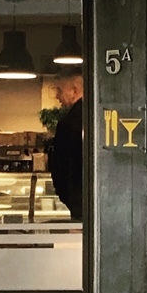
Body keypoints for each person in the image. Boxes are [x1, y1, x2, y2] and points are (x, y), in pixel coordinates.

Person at [49, 70, 85, 221]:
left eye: (59, 90)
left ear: (73, 91)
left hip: (77, 199)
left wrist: (67, 197)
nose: (57, 97)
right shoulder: (98, 115)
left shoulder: (69, 122)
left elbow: (62, 165)